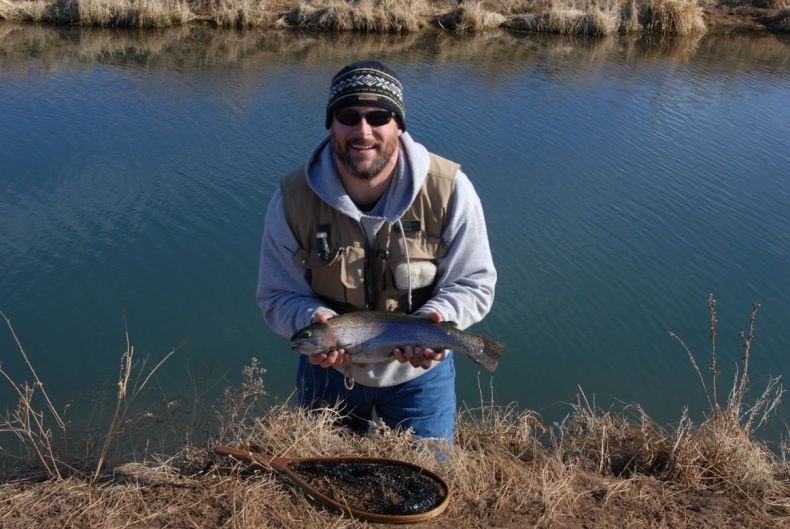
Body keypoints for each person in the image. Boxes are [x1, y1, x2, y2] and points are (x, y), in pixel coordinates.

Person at [256, 60, 496, 441]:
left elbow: (474, 282)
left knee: (428, 475)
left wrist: (437, 318)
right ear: (330, 125)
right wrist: (313, 318)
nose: (363, 130)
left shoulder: (450, 189)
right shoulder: (291, 200)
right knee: (325, 479)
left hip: (421, 379)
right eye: (348, 116)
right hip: (328, 376)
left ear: (398, 125)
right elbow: (277, 295)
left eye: (379, 116)